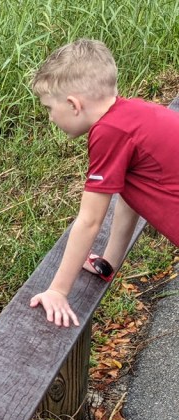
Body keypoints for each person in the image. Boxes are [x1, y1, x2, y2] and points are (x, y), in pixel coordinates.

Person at [27, 38, 179, 327]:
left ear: (73, 104)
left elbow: (90, 221)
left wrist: (58, 290)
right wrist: (107, 262)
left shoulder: (109, 132)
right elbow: (129, 195)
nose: (50, 117)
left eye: (48, 108)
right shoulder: (131, 114)